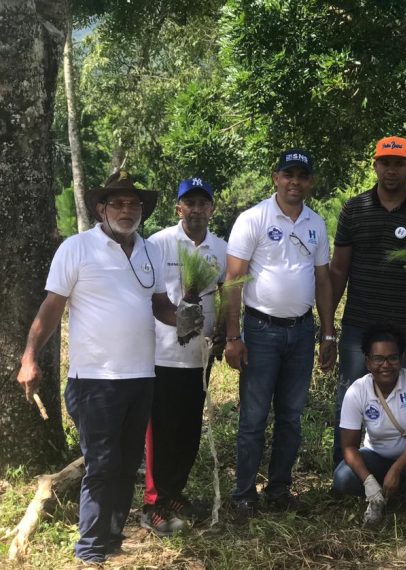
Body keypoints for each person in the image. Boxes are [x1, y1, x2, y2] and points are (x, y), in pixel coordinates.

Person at [16, 171, 200, 566]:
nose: (126, 210)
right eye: (117, 203)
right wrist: (30, 356)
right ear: (101, 208)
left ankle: (112, 539)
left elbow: (159, 305)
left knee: (127, 461)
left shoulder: (149, 251)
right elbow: (52, 308)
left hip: (141, 377)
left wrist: (183, 318)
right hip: (95, 380)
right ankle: (90, 550)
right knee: (101, 465)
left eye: (133, 204)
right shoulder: (77, 248)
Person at [223, 149, 336, 519]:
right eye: (289, 174)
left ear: (310, 182)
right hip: (260, 331)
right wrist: (233, 336)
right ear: (276, 177)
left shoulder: (316, 224)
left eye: (302, 176)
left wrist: (328, 334)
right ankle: (243, 495)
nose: (295, 182)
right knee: (254, 417)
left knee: (291, 415)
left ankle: (279, 489)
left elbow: (322, 279)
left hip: (302, 332)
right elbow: (234, 279)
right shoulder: (252, 219)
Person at [330, 136, 406, 466]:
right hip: (358, 326)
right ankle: (346, 469)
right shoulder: (354, 209)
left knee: (403, 404)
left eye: (398, 163)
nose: (391, 170)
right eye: (385, 163)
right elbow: (339, 270)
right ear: (375, 165)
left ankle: (404, 471)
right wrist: (327, 325)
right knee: (350, 396)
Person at [140, 177, 228, 536]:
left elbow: (227, 295)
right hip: (161, 354)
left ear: (211, 208)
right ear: (178, 208)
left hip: (199, 358)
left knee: (188, 429)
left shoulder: (221, 249)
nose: (195, 209)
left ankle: (174, 491)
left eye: (202, 203)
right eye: (188, 203)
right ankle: (152, 503)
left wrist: (221, 333)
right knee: (160, 429)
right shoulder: (159, 243)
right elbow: (146, 294)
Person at [332, 323, 406, 527]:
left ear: (401, 358)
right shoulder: (357, 390)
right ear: (368, 361)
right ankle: (377, 497)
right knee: (342, 477)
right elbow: (349, 446)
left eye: (392, 358)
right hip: (376, 456)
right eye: (378, 359)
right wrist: (368, 481)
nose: (386, 365)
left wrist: (396, 470)